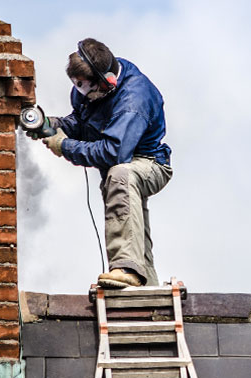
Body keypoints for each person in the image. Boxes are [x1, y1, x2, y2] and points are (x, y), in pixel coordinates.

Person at [32, 38, 173, 289]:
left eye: (87, 88)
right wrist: (55, 126)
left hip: (149, 163)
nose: (82, 94)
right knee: (134, 231)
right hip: (122, 167)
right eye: (78, 87)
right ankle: (147, 287)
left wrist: (64, 146)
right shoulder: (89, 87)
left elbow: (113, 152)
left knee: (120, 174)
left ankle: (126, 269)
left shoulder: (134, 99)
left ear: (108, 81)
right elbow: (84, 123)